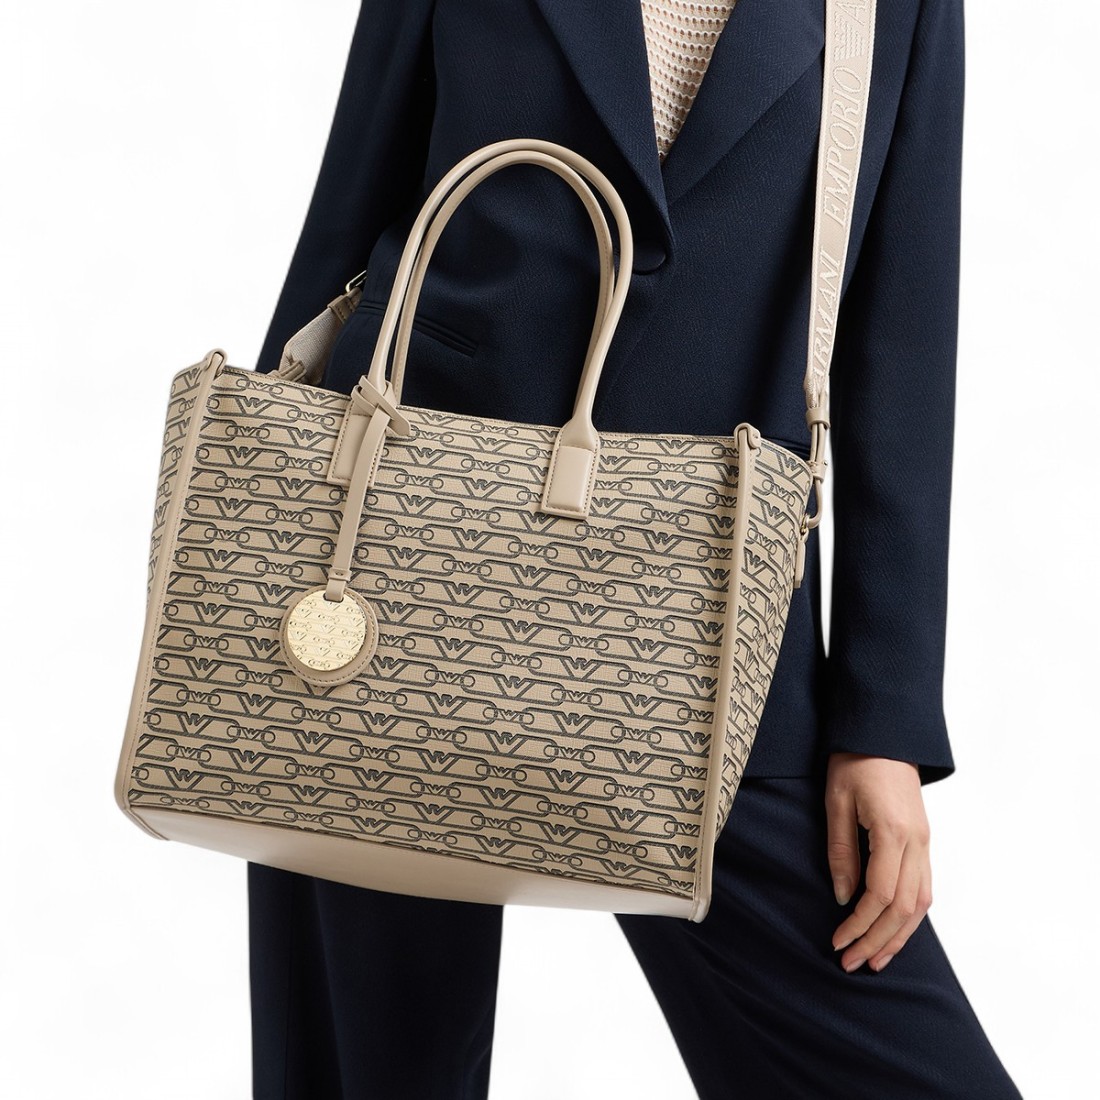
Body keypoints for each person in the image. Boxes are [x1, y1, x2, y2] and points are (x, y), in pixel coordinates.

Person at [248, 1, 1023, 1096]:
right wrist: (266, 545)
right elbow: (347, 221)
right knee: (367, 1068)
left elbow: (901, 345)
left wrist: (881, 725)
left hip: (716, 629)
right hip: (394, 574)